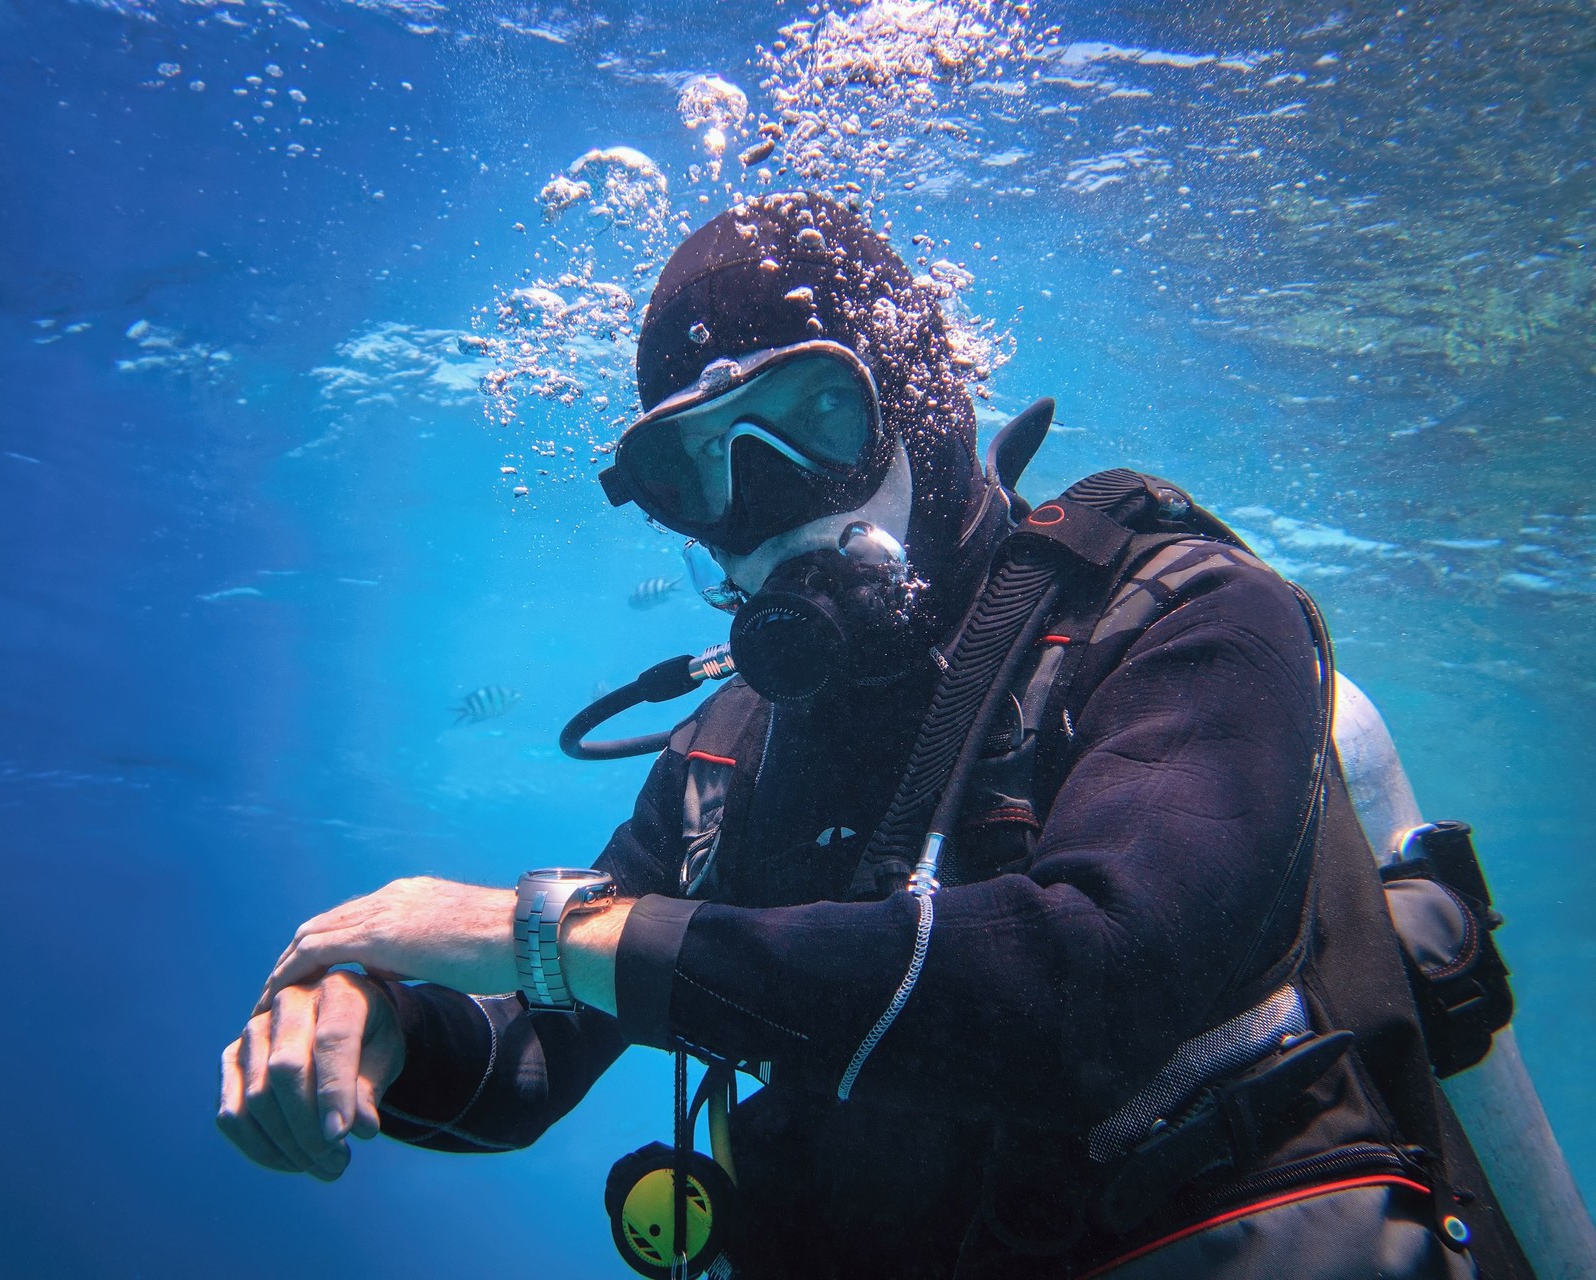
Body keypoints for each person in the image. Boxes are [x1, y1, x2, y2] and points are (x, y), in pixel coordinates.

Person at [216, 193, 1513, 1278]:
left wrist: (543, 930)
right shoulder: (727, 758)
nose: (761, 500)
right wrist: (386, 1033)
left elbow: (1094, 982)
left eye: (812, 417)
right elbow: (538, 1045)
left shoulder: (1181, 620)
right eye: (696, 470)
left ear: (916, 397)